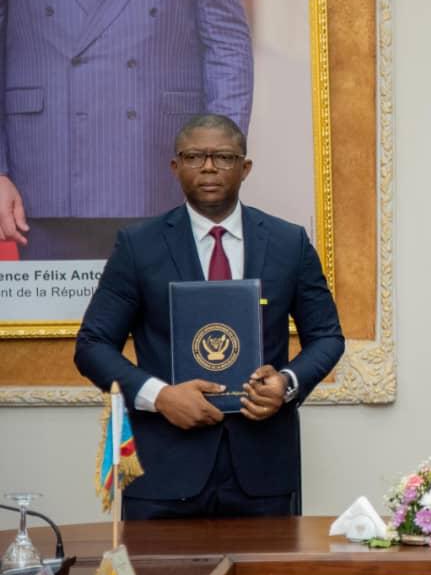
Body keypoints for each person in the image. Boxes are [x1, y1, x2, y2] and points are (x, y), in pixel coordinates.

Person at [74, 114, 343, 519]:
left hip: (264, 470)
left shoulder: (289, 242)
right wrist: (161, 397)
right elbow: (92, 345)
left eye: (223, 156)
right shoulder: (138, 245)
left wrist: (286, 384)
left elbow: (327, 336)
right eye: (195, 156)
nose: (209, 167)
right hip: (164, 469)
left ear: (245, 167)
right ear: (175, 166)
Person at [0, 0, 253, 259]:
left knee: (160, 314)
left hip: (160, 171)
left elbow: (226, 41)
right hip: (42, 176)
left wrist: (218, 159)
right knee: (55, 316)